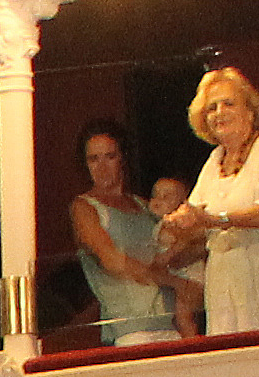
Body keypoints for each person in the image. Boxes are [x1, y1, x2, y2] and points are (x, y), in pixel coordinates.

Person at [164, 66, 259, 336]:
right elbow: (196, 217)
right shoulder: (214, 161)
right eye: (211, 108)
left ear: (250, 110)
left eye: (228, 103)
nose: (219, 112)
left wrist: (216, 220)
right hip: (228, 281)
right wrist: (178, 223)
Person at [64, 121, 184, 341]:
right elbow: (112, 260)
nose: (102, 167)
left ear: (123, 158)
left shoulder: (143, 205)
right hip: (131, 329)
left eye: (109, 156)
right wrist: (173, 281)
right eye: (93, 159)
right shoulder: (85, 207)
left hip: (170, 321)